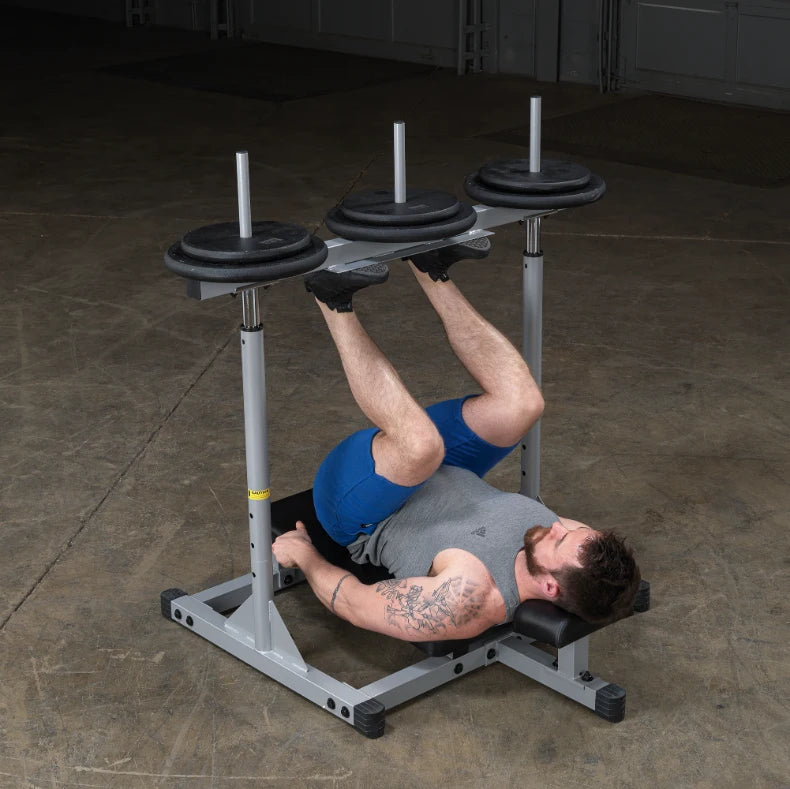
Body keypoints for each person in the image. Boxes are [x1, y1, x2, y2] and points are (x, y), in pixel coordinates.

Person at [273, 240, 641, 643]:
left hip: (356, 508)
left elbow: (354, 604)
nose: (556, 525)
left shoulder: (465, 600)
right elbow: (583, 556)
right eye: (575, 529)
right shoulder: (576, 552)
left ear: (551, 589)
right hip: (445, 467)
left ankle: (332, 299)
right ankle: (430, 268)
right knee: (523, 404)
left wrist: (304, 556)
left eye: (561, 539)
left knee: (420, 446)